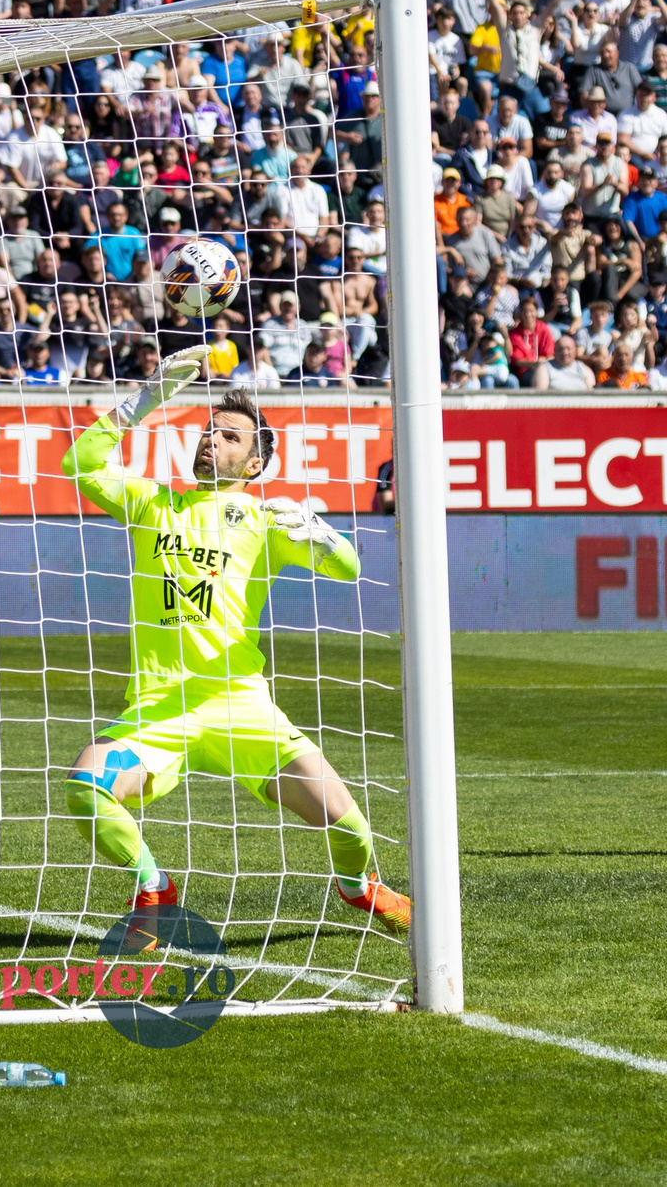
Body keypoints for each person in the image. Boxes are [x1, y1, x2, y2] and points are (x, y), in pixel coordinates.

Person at [59, 350, 411, 938]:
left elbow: (349, 569)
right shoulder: (154, 506)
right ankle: (153, 887)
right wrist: (143, 401)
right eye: (207, 432)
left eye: (228, 436)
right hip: (159, 708)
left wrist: (319, 531)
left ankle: (359, 886)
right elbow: (82, 464)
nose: (210, 441)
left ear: (255, 463)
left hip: (241, 704)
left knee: (353, 830)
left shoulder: (265, 519)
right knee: (85, 789)